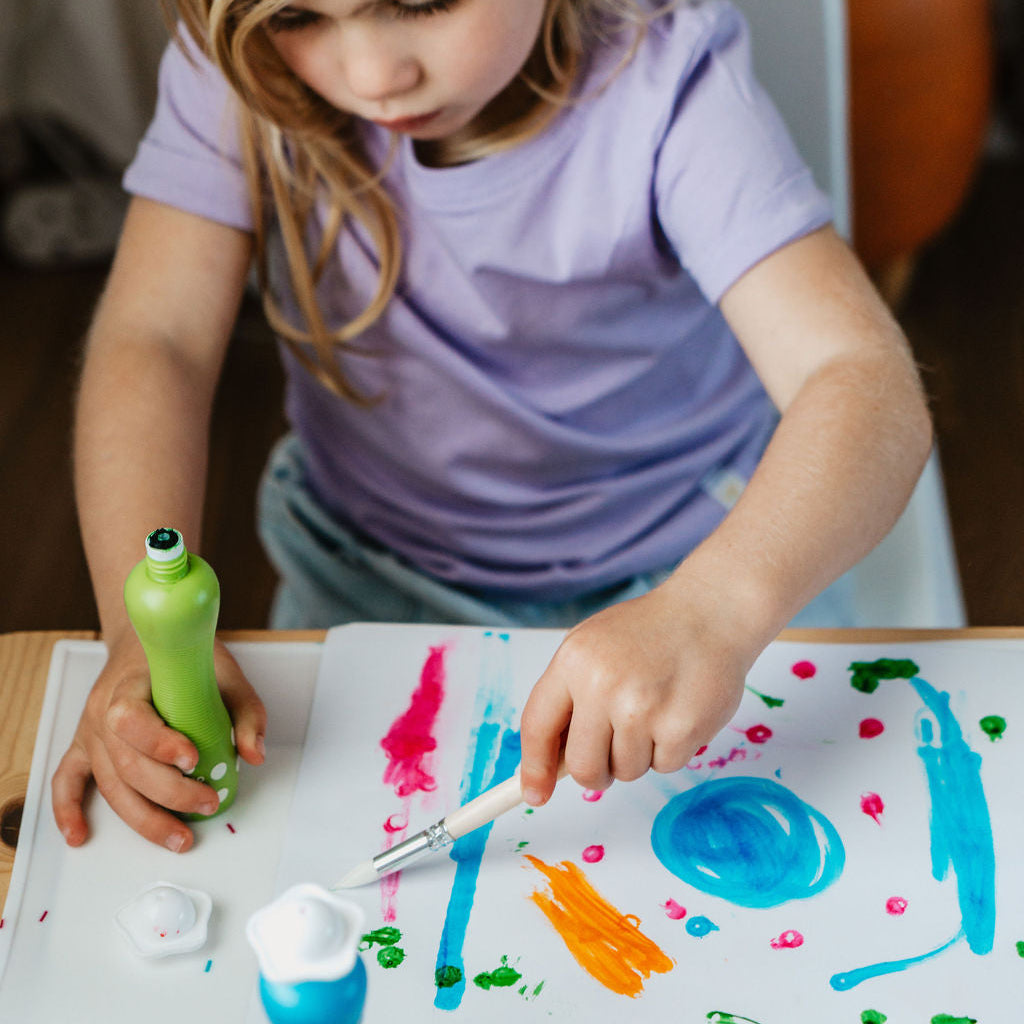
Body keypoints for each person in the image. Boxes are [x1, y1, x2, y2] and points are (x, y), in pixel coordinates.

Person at [52, 0, 933, 855]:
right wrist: (135, 636)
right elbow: (154, 340)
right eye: (297, 17)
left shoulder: (670, 83)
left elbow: (863, 381)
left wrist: (715, 608)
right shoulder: (234, 72)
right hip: (370, 571)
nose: (372, 74)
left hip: (695, 570)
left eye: (423, 2)